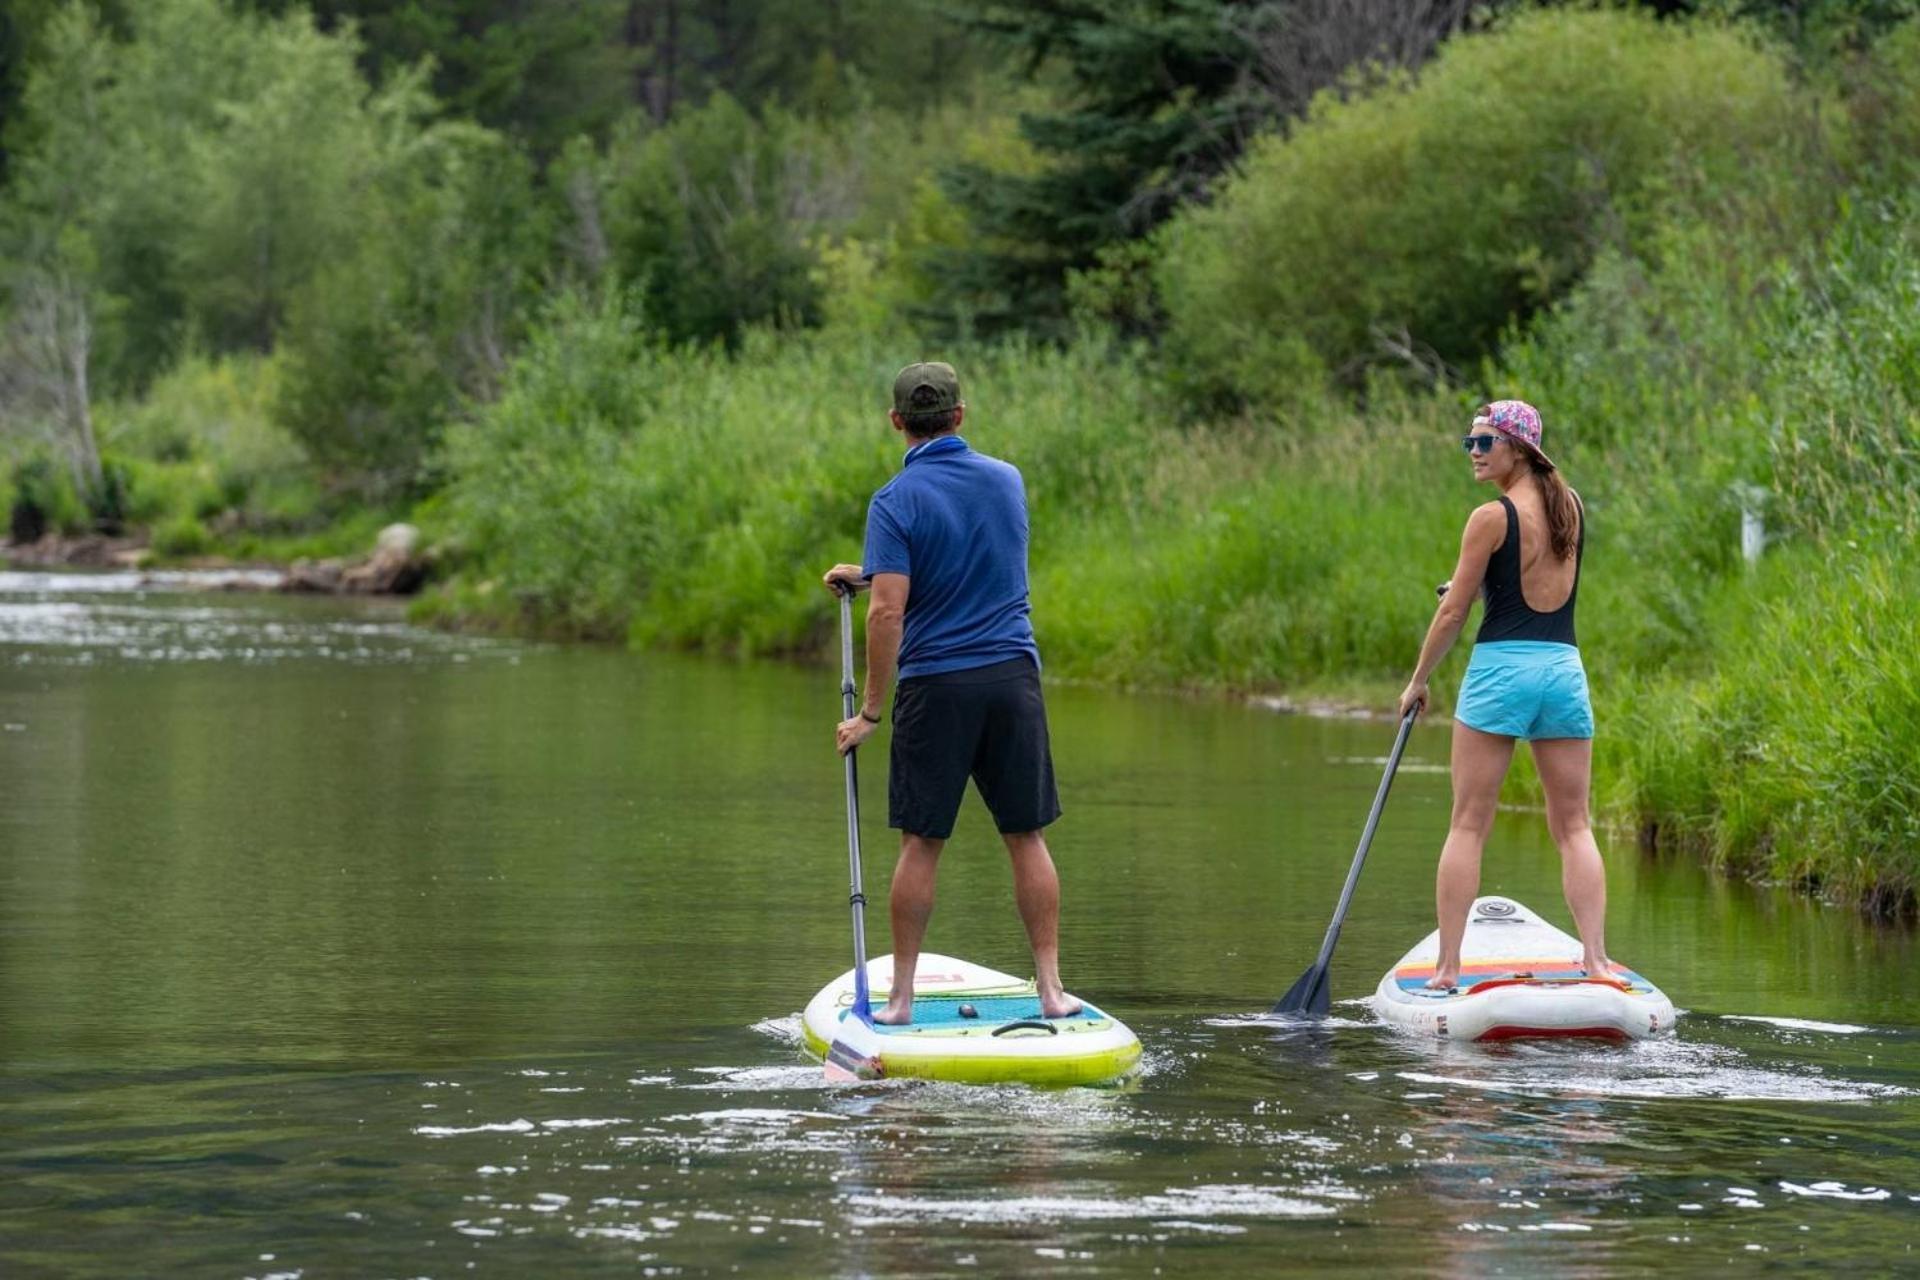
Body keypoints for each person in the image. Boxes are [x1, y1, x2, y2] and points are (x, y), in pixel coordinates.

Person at [821, 362, 1080, 1025]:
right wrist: (872, 570)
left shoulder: (895, 500)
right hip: (1012, 679)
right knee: (1027, 837)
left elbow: (887, 614)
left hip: (938, 686)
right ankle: (1051, 991)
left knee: (921, 843)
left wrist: (871, 711)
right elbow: (965, 556)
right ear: (960, 416)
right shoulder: (1007, 480)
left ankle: (902, 1000)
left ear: (896, 422)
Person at [1396, 400, 1609, 990]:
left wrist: (1419, 680)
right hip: (1563, 673)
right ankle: (1595, 960)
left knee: (1468, 824)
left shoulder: (1488, 518)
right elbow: (1528, 586)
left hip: (1500, 672)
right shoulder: (1572, 507)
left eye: (1485, 443)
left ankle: (1447, 969)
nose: (1473, 453)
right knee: (1574, 826)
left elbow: (1452, 613)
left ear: (1520, 448)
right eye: (1469, 442)